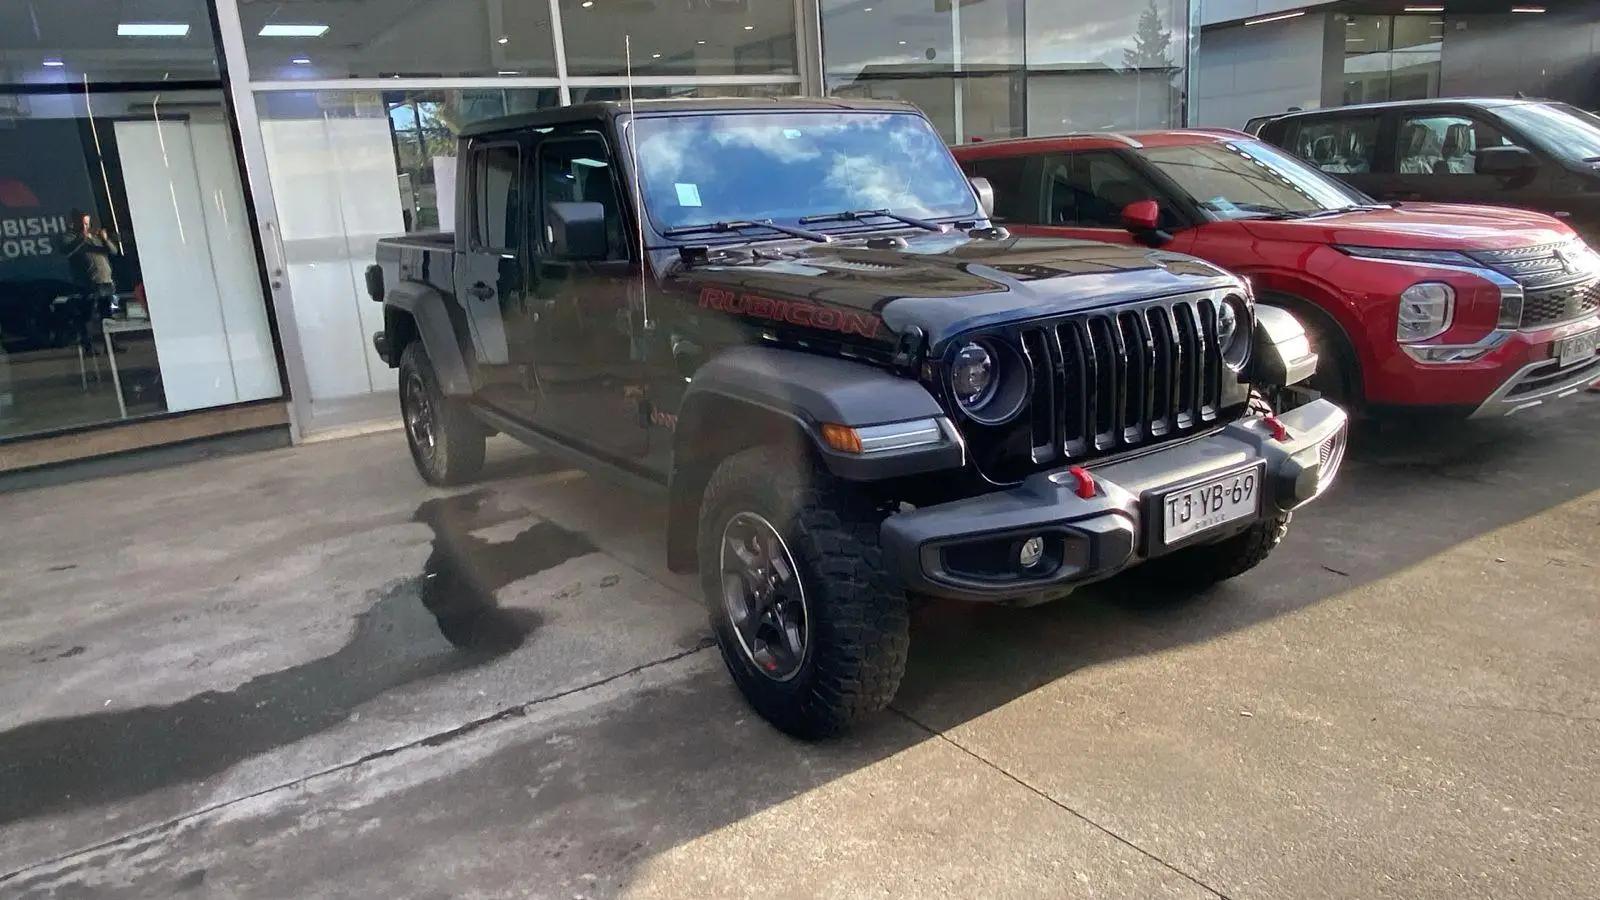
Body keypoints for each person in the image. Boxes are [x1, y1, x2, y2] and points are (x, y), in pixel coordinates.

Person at [62, 209, 122, 320]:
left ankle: (112, 334)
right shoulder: (70, 237)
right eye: (82, 223)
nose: (85, 226)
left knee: (112, 313)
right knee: (91, 314)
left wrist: (105, 239)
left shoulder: (95, 236)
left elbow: (113, 251)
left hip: (107, 281)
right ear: (74, 222)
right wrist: (82, 238)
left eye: (87, 223)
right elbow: (67, 251)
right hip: (90, 283)